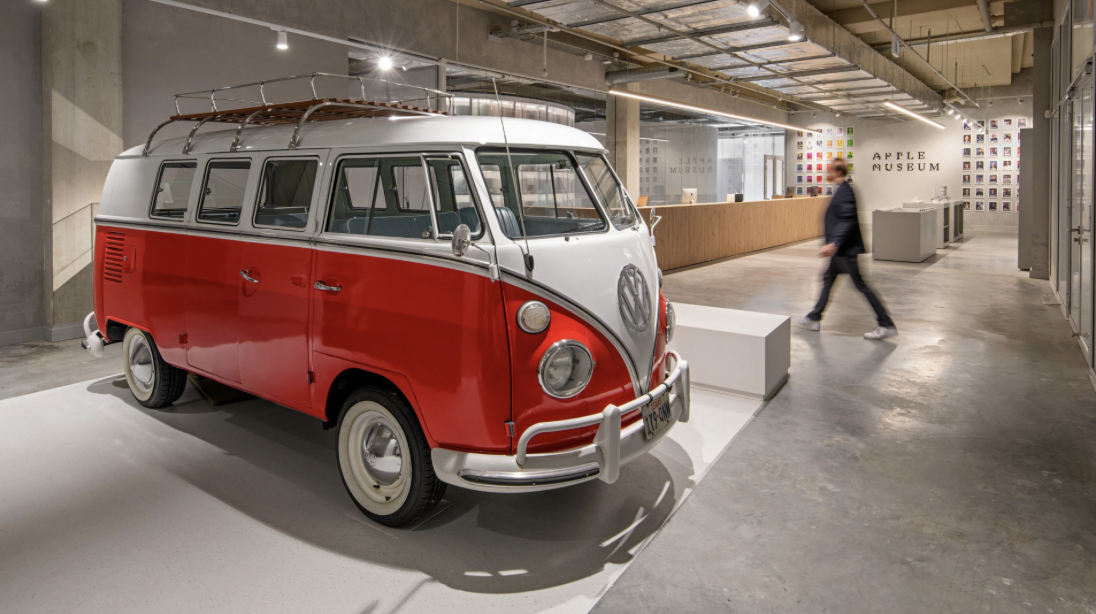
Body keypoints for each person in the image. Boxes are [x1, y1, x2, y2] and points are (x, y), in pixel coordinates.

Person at [796, 158, 897, 340]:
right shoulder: (842, 190)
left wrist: (834, 243)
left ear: (838, 171)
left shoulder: (846, 191)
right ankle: (814, 318)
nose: (827, 172)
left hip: (845, 250)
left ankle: (886, 324)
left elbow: (847, 220)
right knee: (828, 279)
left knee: (861, 285)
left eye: (830, 170)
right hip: (840, 251)